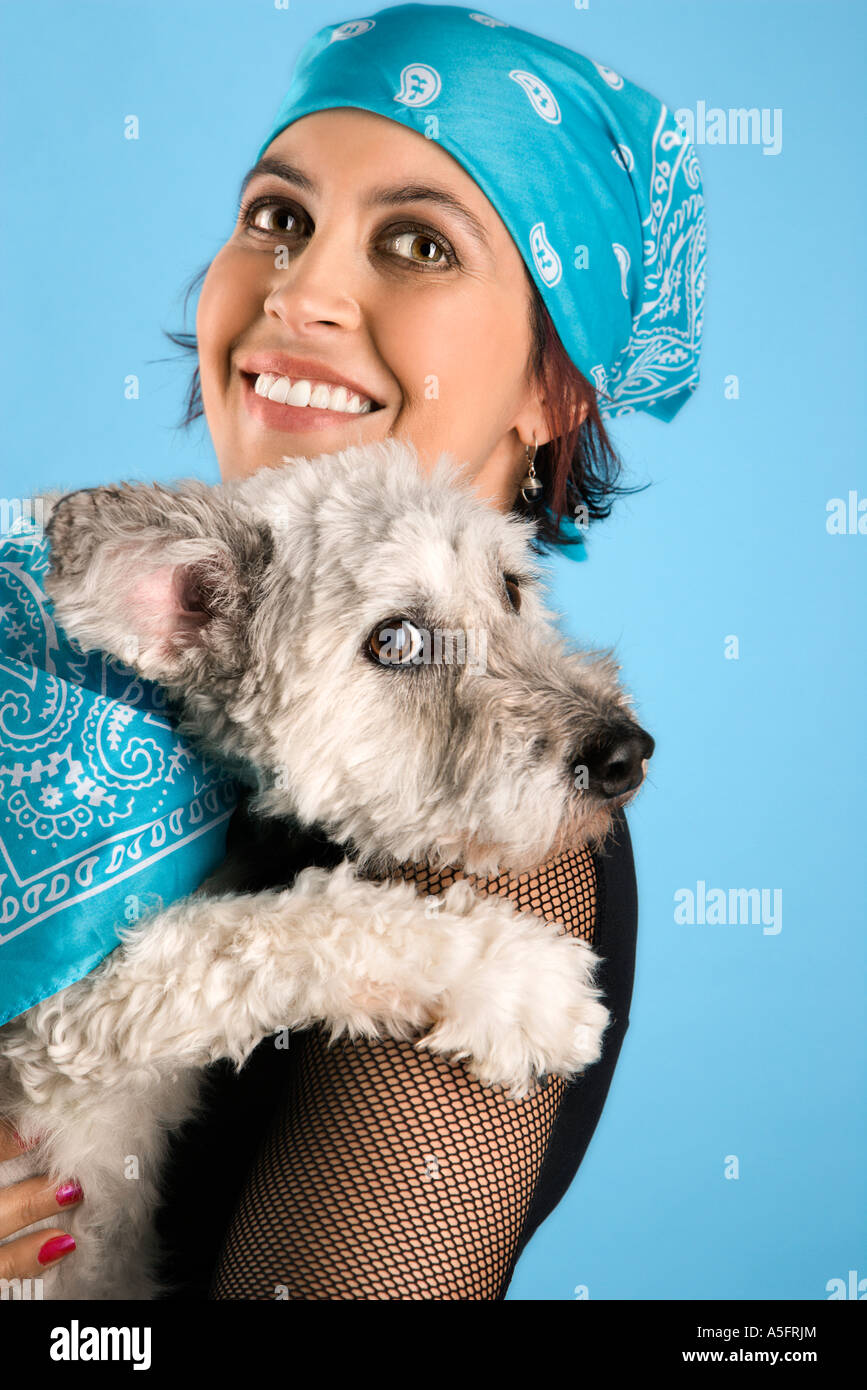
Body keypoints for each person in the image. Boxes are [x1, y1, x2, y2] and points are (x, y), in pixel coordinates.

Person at [0, 3, 705, 1299]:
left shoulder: (502, 857)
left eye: (421, 241)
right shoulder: (86, 719)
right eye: (278, 217)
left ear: (557, 383)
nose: (304, 290)